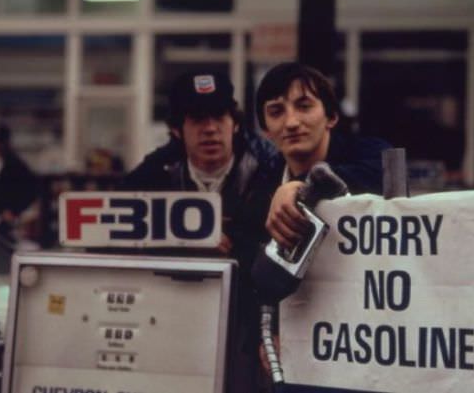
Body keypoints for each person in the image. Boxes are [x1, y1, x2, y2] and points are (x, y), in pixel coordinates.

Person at [120, 71, 272, 393]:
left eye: (219, 116)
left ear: (235, 122)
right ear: (177, 129)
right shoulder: (155, 172)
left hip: (245, 329)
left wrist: (237, 245)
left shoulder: (267, 168)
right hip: (174, 324)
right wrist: (184, 240)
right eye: (197, 119)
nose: (210, 129)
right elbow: (115, 230)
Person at [252, 62, 390, 391]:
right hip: (302, 340)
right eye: (276, 111)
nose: (292, 122)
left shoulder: (369, 153)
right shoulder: (262, 187)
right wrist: (269, 335)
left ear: (331, 117)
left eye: (304, 105)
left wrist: (299, 188)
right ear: (266, 130)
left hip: (370, 337)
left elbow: (381, 173)